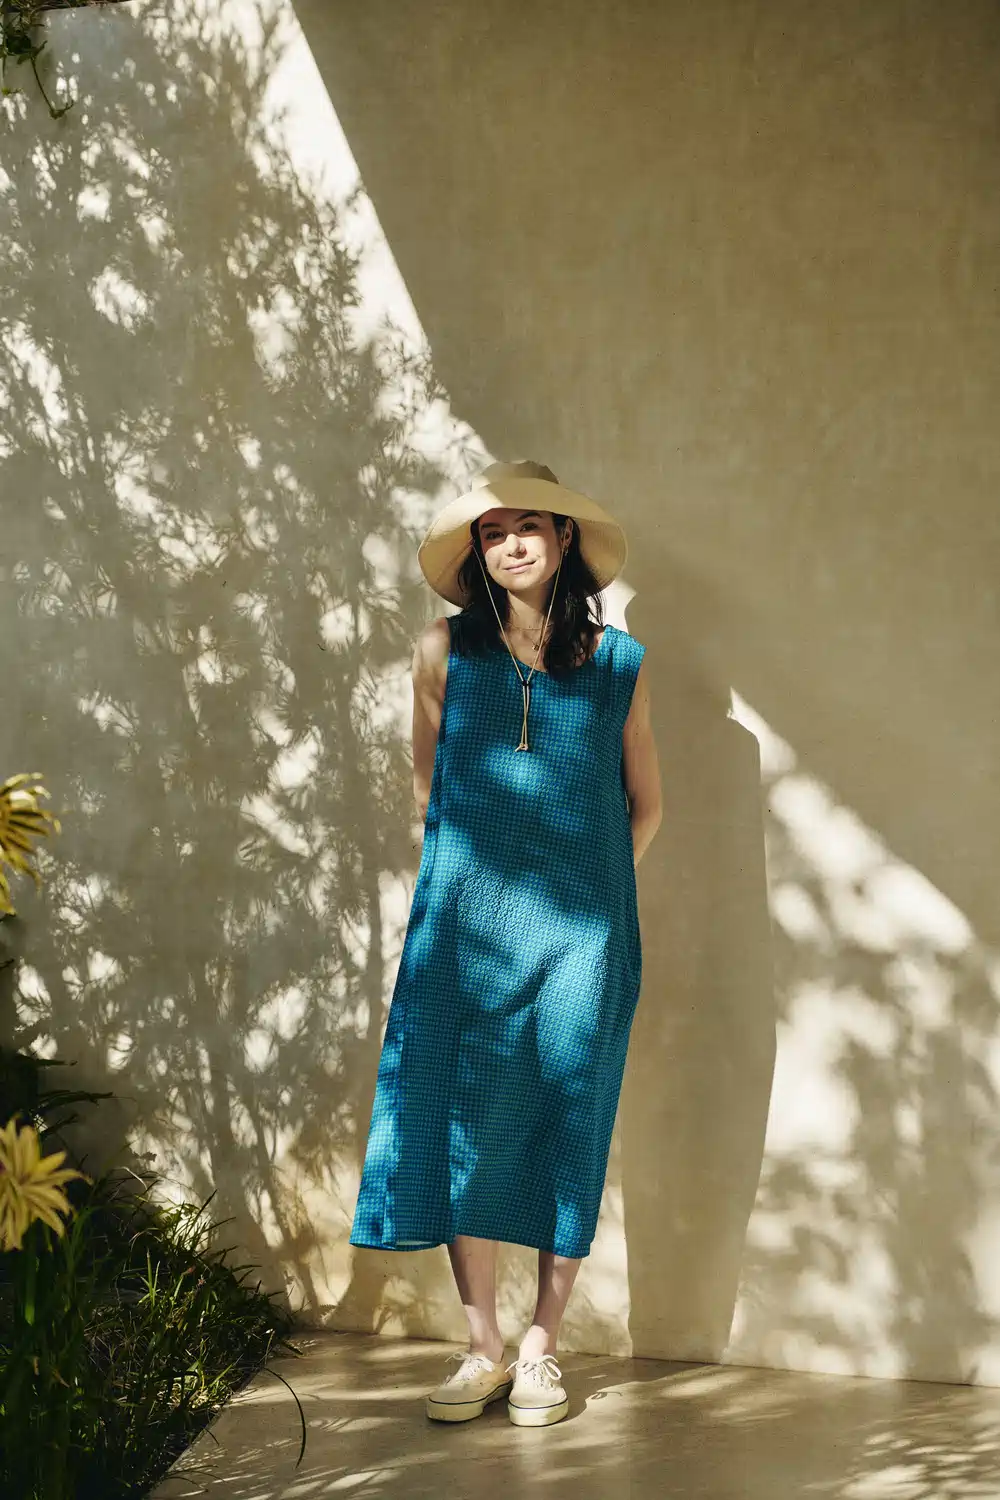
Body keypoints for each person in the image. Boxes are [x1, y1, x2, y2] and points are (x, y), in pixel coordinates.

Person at [349, 459, 663, 1427]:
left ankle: (540, 1350)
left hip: (583, 939)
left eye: (530, 525)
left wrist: (593, 895)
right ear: (477, 553)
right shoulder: (443, 651)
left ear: (564, 539)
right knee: (464, 1121)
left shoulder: (619, 662)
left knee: (572, 1118)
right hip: (465, 934)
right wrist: (474, 891)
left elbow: (645, 804)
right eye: (493, 532)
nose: (512, 544)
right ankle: (481, 1346)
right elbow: (429, 791)